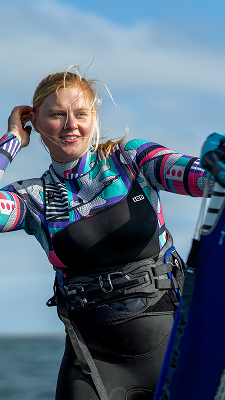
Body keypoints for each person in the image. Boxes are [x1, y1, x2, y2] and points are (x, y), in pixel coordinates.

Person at [2, 69, 215, 400]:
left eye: (80, 113)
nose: (71, 124)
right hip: (92, 361)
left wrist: (215, 168)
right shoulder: (35, 199)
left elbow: (198, 177)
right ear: (37, 123)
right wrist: (11, 139)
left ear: (93, 117)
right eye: (57, 115)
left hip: (170, 343)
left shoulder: (130, 159)